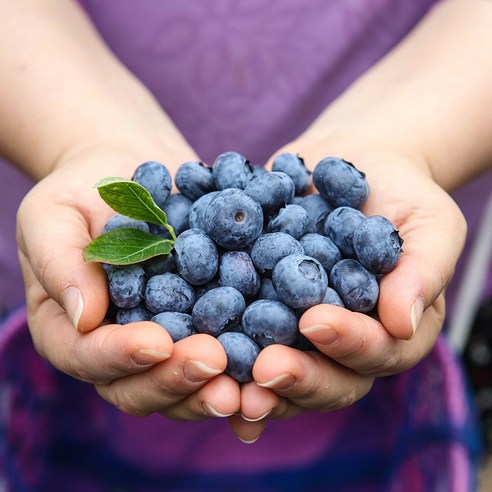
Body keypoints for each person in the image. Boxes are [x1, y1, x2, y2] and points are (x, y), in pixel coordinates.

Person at [0, 0, 491, 490]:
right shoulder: (197, 248)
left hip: (432, 97)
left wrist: (410, 141)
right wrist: (78, 139)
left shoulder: (306, 229)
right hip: (50, 98)